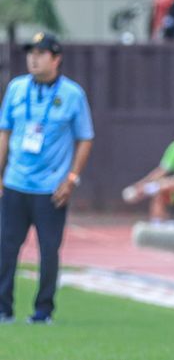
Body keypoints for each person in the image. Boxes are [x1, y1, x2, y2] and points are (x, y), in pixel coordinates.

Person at [0, 32, 94, 324]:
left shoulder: (72, 94)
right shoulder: (16, 89)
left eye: (41, 53)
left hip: (50, 188)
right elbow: (5, 131)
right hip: (16, 182)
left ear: (56, 58)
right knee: (5, 247)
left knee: (49, 250)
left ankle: (43, 310)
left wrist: (72, 178)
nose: (34, 59)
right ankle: (3, 308)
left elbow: (85, 138)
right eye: (31, 53)